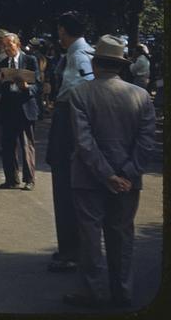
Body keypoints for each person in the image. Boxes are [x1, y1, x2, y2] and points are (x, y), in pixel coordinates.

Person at [62, 35, 155, 308]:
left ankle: (92, 291)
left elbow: (84, 141)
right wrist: (126, 173)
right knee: (122, 235)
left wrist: (107, 174)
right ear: (121, 65)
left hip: (88, 177)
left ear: (95, 62)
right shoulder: (139, 96)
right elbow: (146, 140)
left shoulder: (80, 93)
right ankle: (122, 289)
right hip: (129, 179)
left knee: (90, 236)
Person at [46, 11, 94, 273]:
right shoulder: (86, 53)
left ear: (63, 30)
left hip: (69, 126)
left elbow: (82, 91)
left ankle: (71, 251)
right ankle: (73, 247)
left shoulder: (76, 56)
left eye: (59, 30)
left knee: (65, 192)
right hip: (75, 126)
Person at [0, 33, 42, 190]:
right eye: (4, 46)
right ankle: (11, 179)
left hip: (24, 106)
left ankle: (29, 179)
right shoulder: (1, 61)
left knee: (26, 144)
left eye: (10, 45)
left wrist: (27, 88)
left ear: (18, 44)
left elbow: (38, 84)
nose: (7, 49)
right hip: (8, 107)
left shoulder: (29, 60)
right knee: (8, 145)